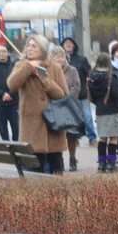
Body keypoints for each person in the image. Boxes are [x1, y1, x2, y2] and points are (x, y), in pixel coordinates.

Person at [7, 34, 68, 174]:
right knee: (34, 168)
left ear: (43, 49)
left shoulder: (54, 67)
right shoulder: (21, 65)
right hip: (32, 125)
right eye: (28, 46)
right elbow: (12, 84)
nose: (30, 48)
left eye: (34, 46)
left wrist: (46, 81)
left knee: (56, 168)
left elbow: (63, 95)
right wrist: (28, 67)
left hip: (53, 123)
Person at [88, 53, 118, 173]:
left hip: (100, 111)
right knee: (114, 138)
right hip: (112, 110)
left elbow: (91, 96)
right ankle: (111, 164)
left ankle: (101, 164)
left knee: (102, 138)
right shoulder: (110, 78)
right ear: (109, 63)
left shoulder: (92, 77)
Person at [50, 44, 82, 172]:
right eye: (57, 57)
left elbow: (77, 86)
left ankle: (73, 159)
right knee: (57, 135)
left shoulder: (72, 70)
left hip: (69, 107)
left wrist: (67, 97)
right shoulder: (48, 70)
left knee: (71, 135)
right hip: (54, 107)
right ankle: (59, 160)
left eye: (62, 56)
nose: (60, 59)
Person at [62, 36, 97, 147]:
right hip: (66, 95)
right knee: (71, 118)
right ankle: (74, 139)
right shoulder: (58, 60)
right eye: (66, 43)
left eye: (70, 43)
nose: (68, 45)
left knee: (87, 117)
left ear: (74, 46)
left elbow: (90, 74)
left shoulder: (81, 59)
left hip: (81, 94)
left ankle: (92, 138)